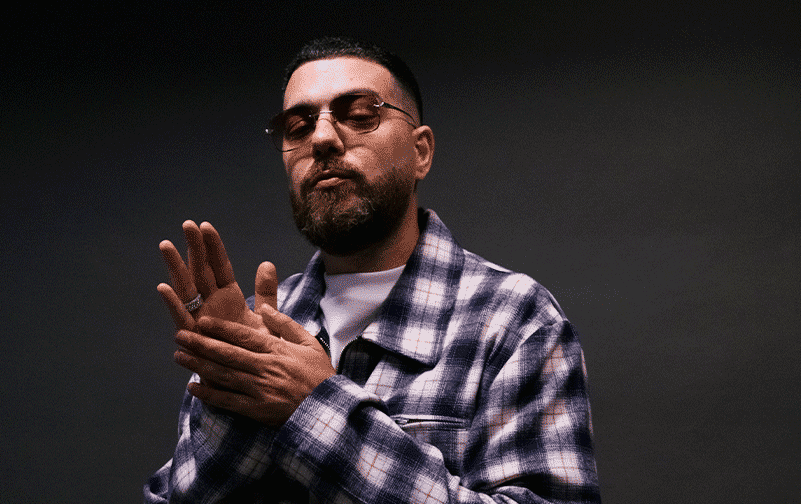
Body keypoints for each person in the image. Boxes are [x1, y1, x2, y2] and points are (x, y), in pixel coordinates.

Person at [145, 36, 600, 503]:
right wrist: (233, 403)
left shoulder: (513, 320)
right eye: (298, 126)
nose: (321, 138)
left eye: (361, 115)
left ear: (421, 152)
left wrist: (315, 408)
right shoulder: (250, 329)